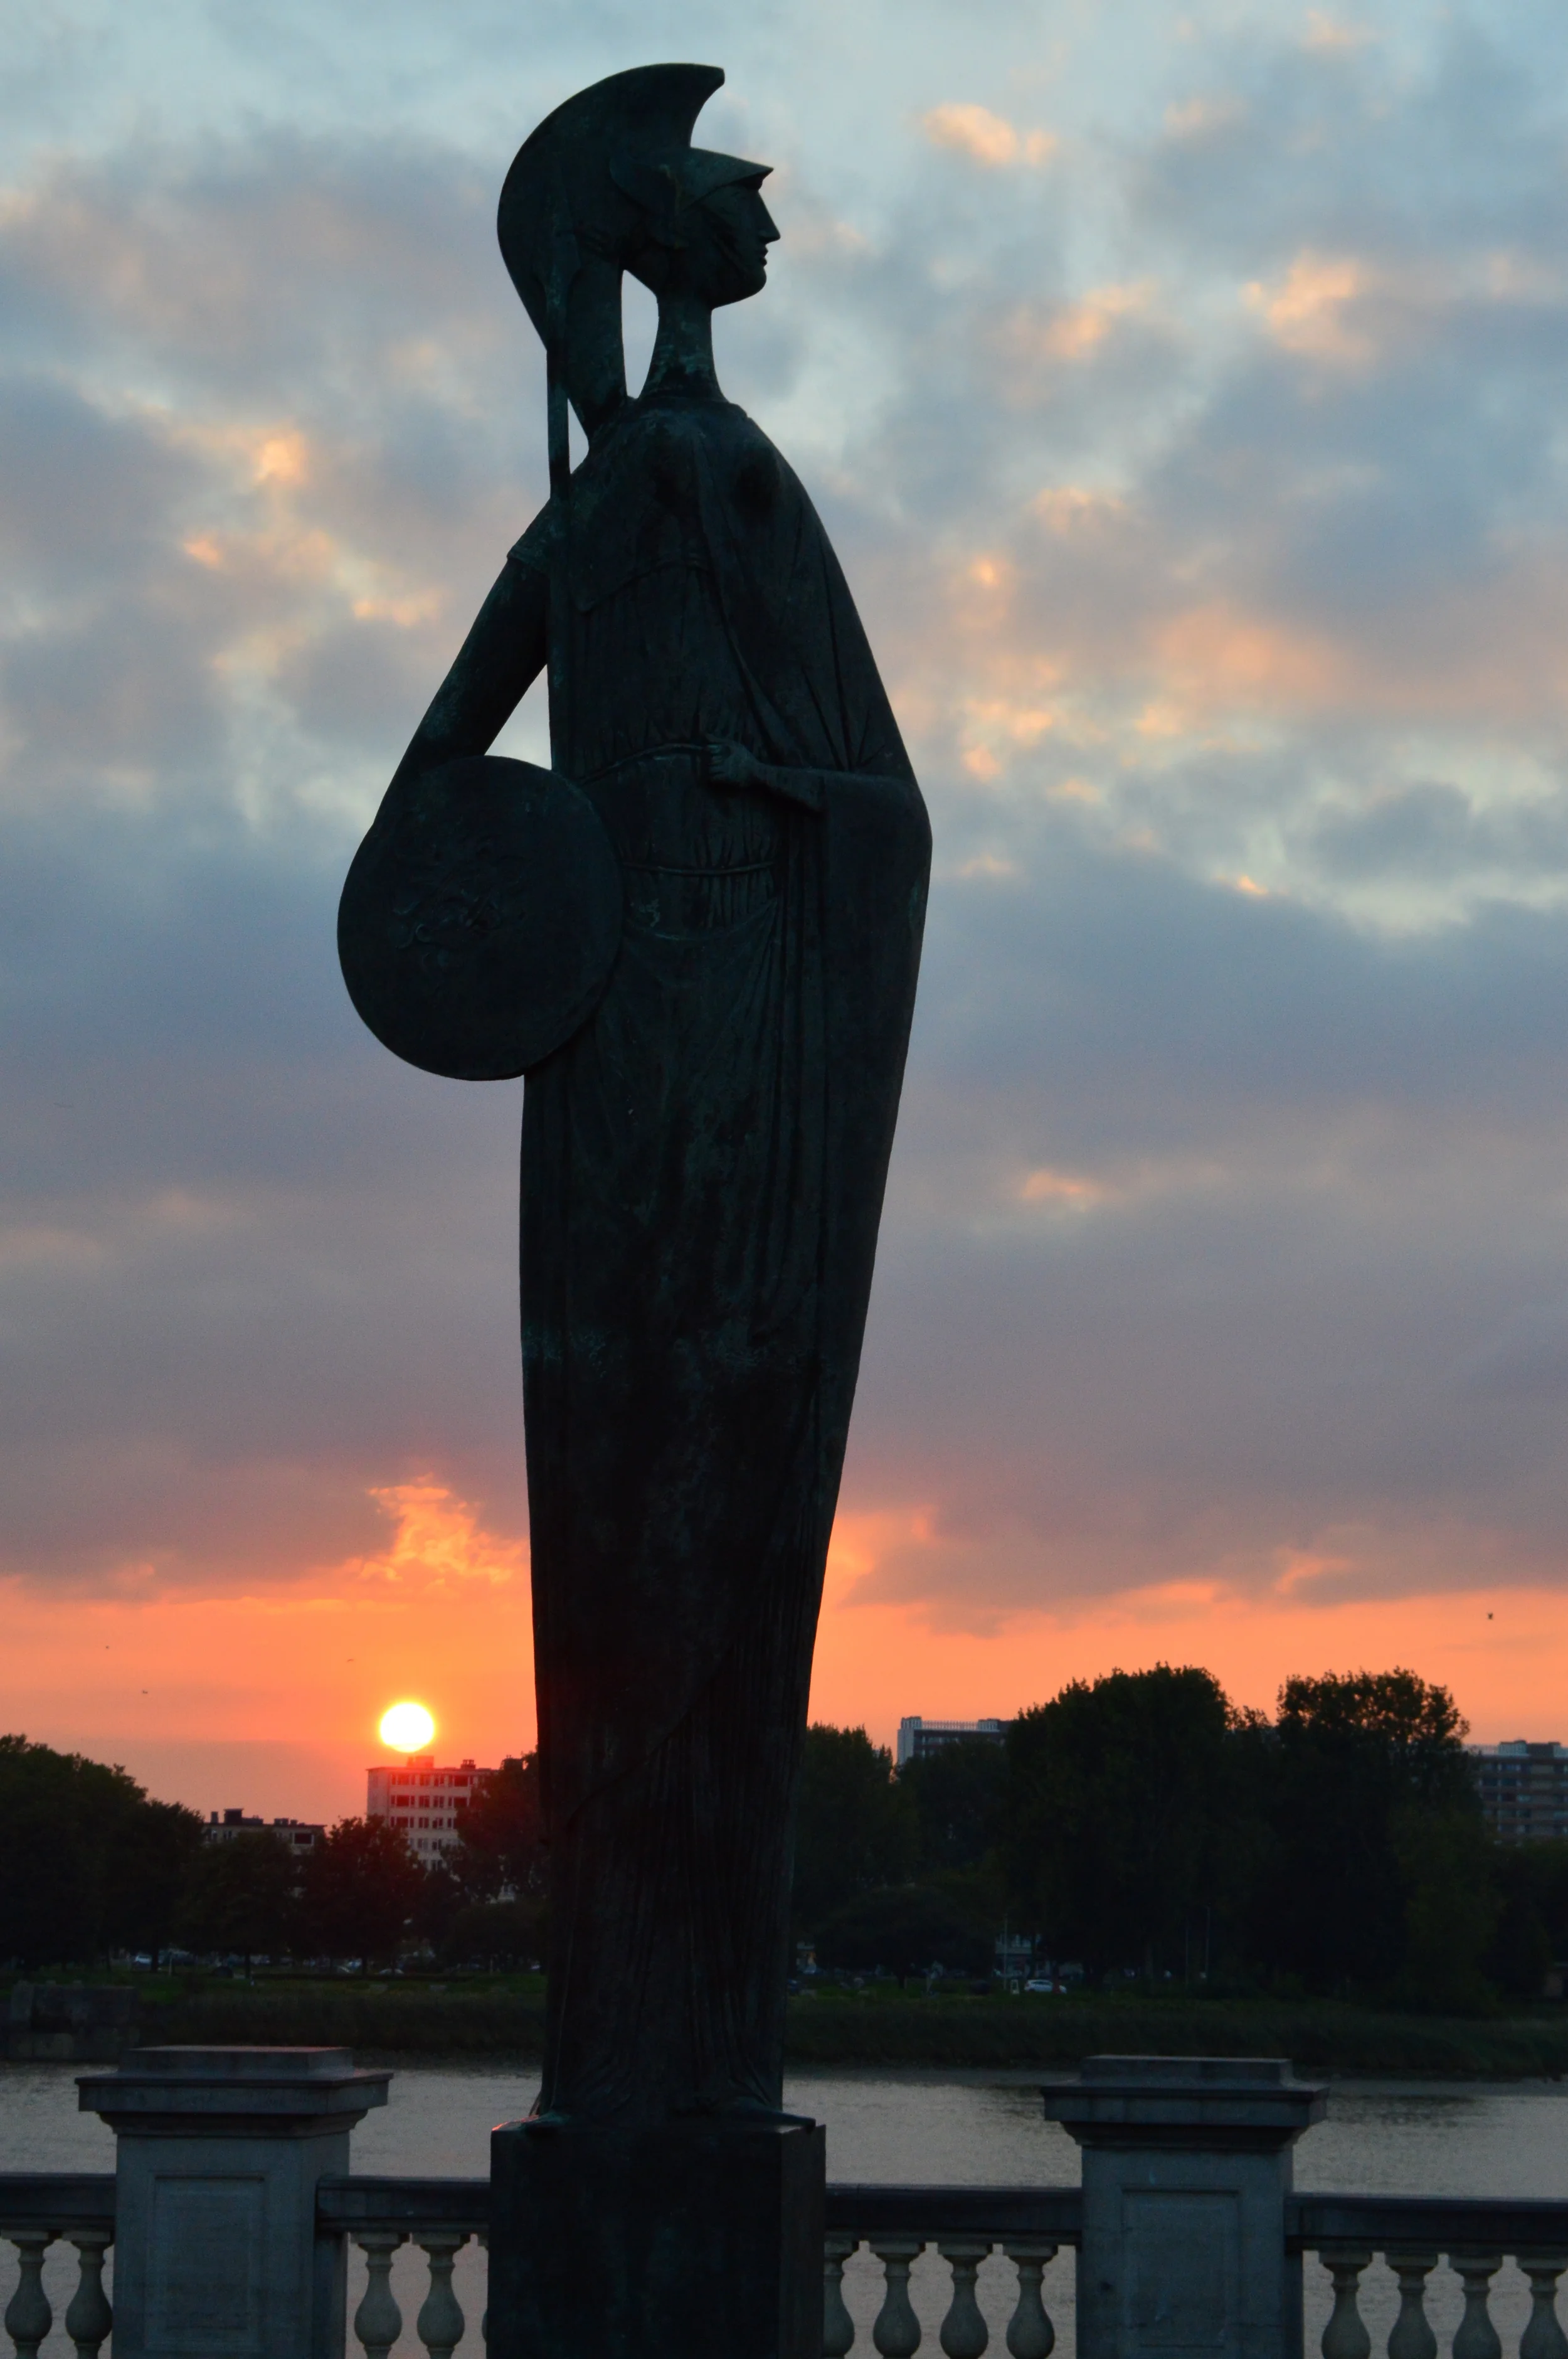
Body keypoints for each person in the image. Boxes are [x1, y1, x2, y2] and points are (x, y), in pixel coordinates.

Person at [374, 65, 929, 2124]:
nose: (765, 216)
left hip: (649, 1039)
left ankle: (650, 2033)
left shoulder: (621, 500)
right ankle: (652, 2039)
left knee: (657, 1466)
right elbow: (880, 802)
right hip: (690, 1035)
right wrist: (723, 813)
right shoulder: (696, 480)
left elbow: (431, 785)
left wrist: (617, 840)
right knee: (672, 1456)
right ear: (670, 239)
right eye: (733, 191)